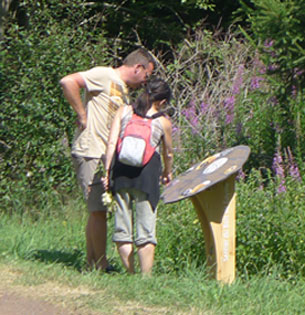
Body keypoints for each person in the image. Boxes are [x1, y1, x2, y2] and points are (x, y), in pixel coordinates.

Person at [60, 48, 155, 272]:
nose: (145, 81)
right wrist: (82, 114)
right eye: (146, 76)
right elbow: (68, 82)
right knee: (98, 209)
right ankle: (100, 264)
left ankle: (92, 262)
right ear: (137, 67)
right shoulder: (104, 75)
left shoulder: (123, 90)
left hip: (105, 153)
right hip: (90, 150)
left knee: (97, 209)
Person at [103, 78, 173, 275]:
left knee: (122, 229)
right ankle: (145, 278)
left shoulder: (124, 111)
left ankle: (130, 274)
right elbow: (168, 153)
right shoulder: (163, 121)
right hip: (147, 177)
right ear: (162, 102)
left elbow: (111, 143)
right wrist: (168, 172)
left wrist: (107, 172)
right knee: (146, 230)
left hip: (121, 173)